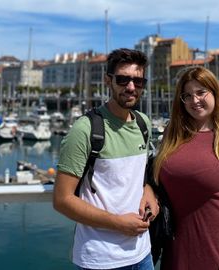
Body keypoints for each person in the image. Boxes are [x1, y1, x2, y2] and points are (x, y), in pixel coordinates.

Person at [53, 48, 159, 270]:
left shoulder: (143, 124)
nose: (131, 87)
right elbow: (62, 200)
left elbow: (140, 175)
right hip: (100, 259)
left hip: (142, 254)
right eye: (123, 79)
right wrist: (118, 224)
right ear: (108, 81)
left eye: (138, 82)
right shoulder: (86, 129)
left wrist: (148, 192)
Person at [153, 66, 219, 269]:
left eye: (201, 92)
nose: (194, 100)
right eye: (187, 95)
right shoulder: (172, 133)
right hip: (175, 241)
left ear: (215, 93)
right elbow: (157, 178)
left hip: (216, 242)